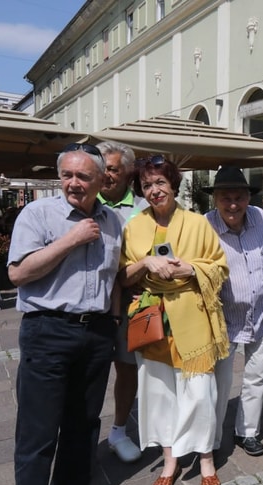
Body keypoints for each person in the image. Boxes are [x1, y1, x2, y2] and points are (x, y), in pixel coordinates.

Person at [9, 142, 122, 485]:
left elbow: (114, 279)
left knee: (83, 427)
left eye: (83, 176)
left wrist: (116, 322)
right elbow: (18, 273)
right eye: (67, 175)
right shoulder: (37, 214)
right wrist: (70, 240)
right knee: (38, 435)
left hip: (97, 333)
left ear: (102, 179)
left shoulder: (112, 221)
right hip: (48, 332)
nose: (73, 183)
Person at [118, 156, 229, 485]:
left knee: (198, 393)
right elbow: (122, 276)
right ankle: (170, 460)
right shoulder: (134, 226)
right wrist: (145, 262)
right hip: (153, 318)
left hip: (192, 318)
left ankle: (206, 459)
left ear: (174, 185)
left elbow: (220, 267)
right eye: (147, 185)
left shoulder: (197, 223)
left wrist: (191, 270)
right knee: (160, 394)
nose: (154, 190)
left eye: (160, 183)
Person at [203, 166, 263, 457]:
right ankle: (214, 437)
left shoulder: (261, 217)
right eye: (225, 198)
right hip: (224, 318)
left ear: (248, 198)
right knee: (220, 382)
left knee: (257, 376)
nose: (233, 205)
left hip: (261, 314)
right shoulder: (204, 226)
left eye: (239, 197)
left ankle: (248, 432)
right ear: (215, 200)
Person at [96, 140, 148, 464]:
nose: (105, 174)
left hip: (129, 303)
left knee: (127, 369)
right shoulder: (84, 201)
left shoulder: (144, 208)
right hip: (86, 305)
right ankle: (80, 434)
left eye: (112, 169)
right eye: (101, 168)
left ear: (128, 172)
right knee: (88, 374)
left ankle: (117, 430)